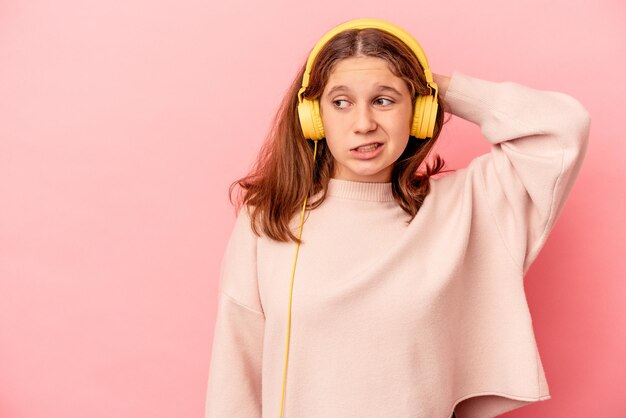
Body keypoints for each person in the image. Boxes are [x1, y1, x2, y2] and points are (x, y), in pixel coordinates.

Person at [205, 18, 591, 418]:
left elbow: (563, 127)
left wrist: (434, 85)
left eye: (384, 100)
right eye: (341, 102)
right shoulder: (268, 219)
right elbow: (235, 375)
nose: (363, 123)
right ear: (313, 118)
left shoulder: (469, 205)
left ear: (419, 111)